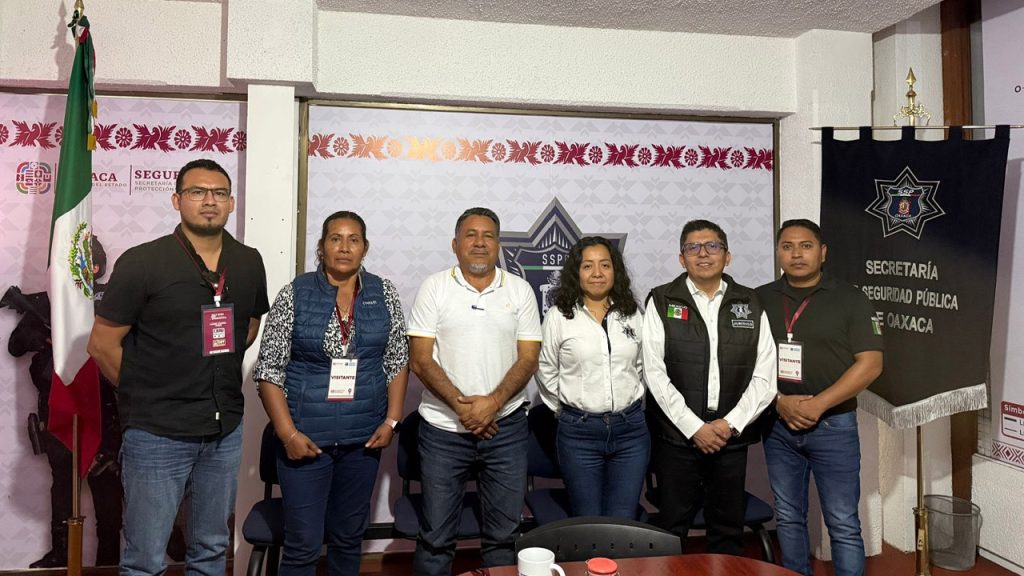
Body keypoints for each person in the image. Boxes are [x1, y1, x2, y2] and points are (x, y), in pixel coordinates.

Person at [87, 159, 269, 576]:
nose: (209, 201)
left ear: (231, 203)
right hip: (157, 433)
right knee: (145, 558)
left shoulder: (247, 261)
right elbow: (102, 345)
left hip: (223, 430)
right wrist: (148, 394)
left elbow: (249, 324)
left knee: (211, 548)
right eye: (197, 192)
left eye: (219, 193)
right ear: (176, 200)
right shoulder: (143, 262)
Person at [252, 211, 409, 576]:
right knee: (303, 546)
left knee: (348, 539)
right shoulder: (295, 293)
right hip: (306, 442)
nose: (344, 247)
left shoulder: (384, 293)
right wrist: (287, 434)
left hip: (362, 443)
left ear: (365, 248)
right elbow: (269, 370)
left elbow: (398, 359)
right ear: (322, 247)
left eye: (354, 240)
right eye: (335, 239)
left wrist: (392, 420)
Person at [408, 207, 542, 575]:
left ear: (498, 245)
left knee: (504, 536)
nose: (480, 242)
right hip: (443, 430)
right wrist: (464, 408)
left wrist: (493, 404)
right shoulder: (435, 287)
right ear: (455, 245)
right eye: (471, 235)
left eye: (488, 236)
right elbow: (419, 359)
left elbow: (529, 358)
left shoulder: (519, 290)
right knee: (436, 537)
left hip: (506, 429)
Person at [755, 219, 883, 576]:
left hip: (833, 425)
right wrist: (779, 401)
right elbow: (746, 360)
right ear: (778, 253)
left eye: (806, 246)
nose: (796, 254)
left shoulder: (851, 299)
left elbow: (871, 364)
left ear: (822, 252)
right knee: (788, 516)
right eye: (787, 246)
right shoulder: (760, 298)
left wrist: (817, 404)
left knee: (842, 521)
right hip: (778, 424)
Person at [642, 219, 776, 555]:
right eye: (693, 247)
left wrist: (729, 425)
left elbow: (765, 375)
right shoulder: (661, 300)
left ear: (727, 256)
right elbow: (654, 373)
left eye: (712, 246)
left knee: (728, 529)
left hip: (729, 438)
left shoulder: (751, 302)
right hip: (677, 438)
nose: (703, 253)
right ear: (681, 258)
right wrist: (694, 428)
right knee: (672, 529)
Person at [535, 236, 648, 518]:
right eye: (588, 266)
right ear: (576, 272)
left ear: (615, 271)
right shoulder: (559, 316)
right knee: (588, 521)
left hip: (631, 432)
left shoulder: (632, 314)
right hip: (579, 434)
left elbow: (641, 366)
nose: (597, 273)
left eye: (605, 265)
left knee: (623, 521)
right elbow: (545, 368)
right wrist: (566, 410)